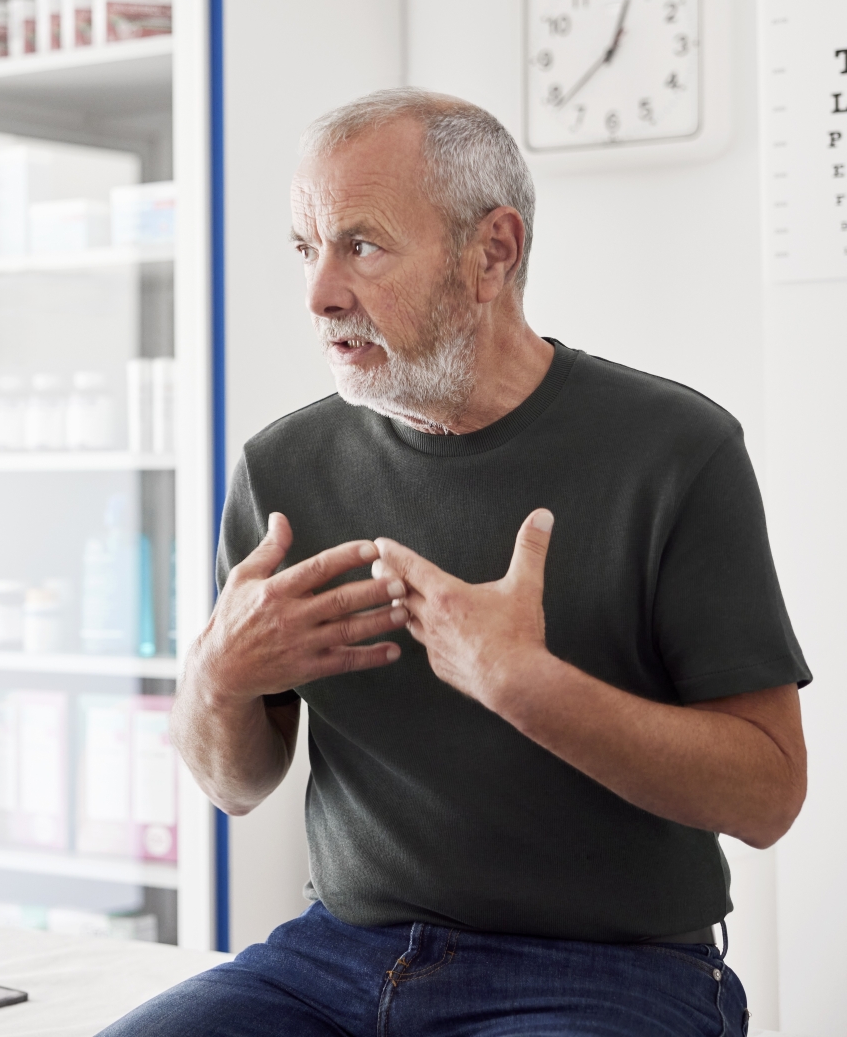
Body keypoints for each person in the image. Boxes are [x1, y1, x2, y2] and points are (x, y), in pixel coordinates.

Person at [102, 89, 810, 1036]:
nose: (319, 295)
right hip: (337, 958)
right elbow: (235, 785)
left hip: (607, 975)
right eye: (306, 249)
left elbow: (768, 795)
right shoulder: (282, 471)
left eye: (361, 244)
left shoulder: (676, 452)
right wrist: (218, 678)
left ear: (493, 253)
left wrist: (527, 686)